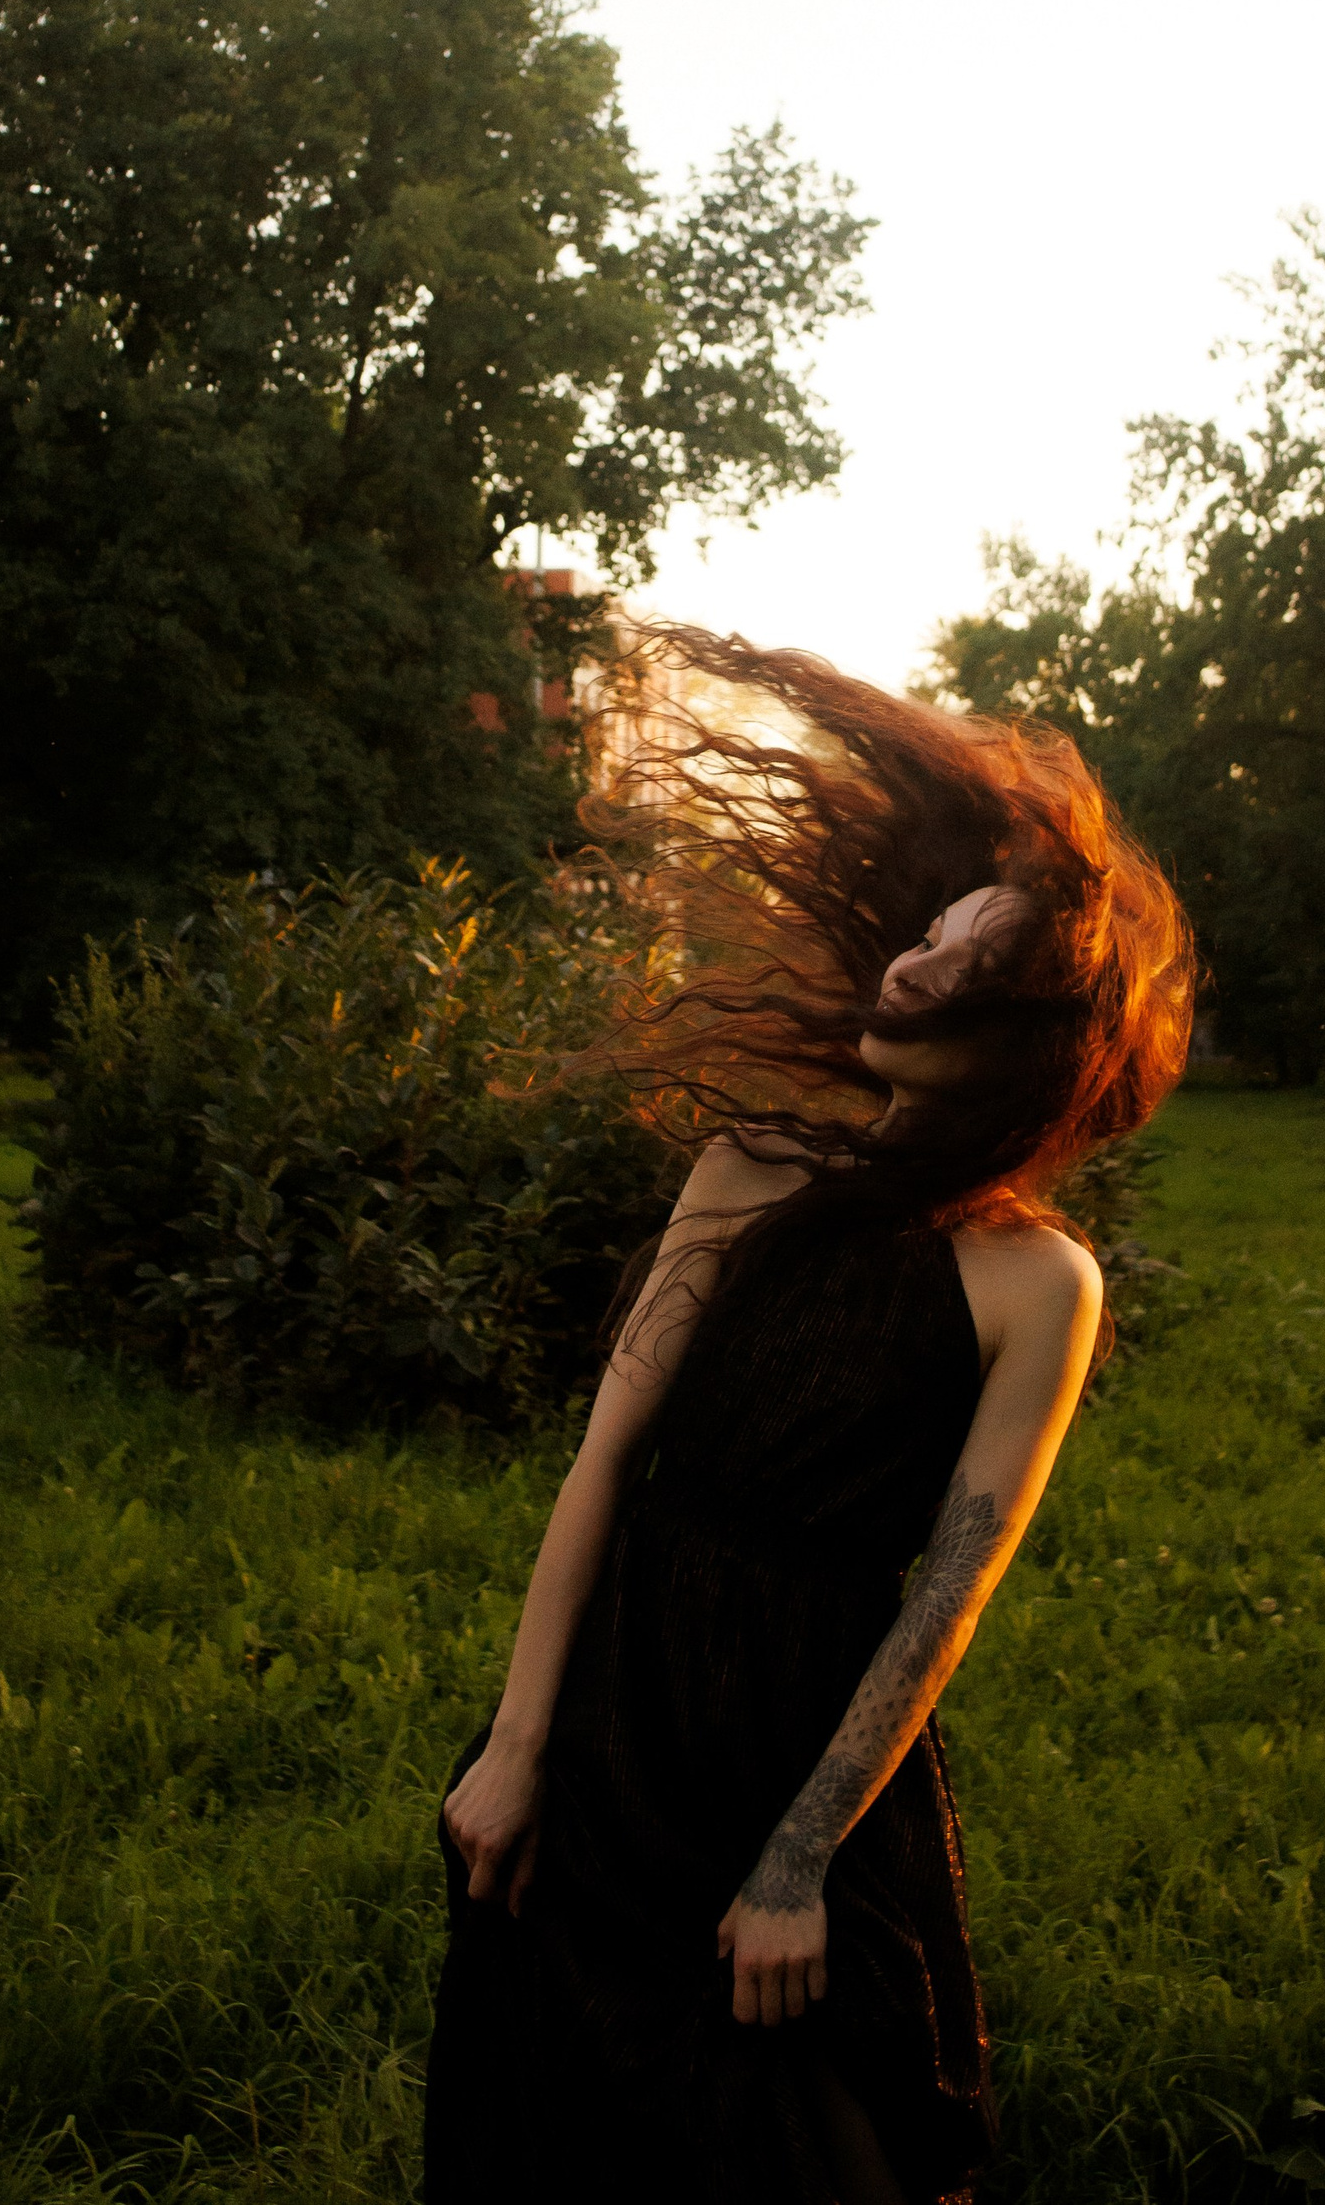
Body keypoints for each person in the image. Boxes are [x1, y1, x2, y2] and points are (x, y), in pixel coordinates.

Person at [425, 633, 1195, 2205]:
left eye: (970, 965)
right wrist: (517, 1749)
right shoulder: (745, 1172)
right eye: (932, 931)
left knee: (834, 2145)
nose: (914, 962)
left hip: (813, 1739)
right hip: (619, 1711)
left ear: (1030, 1041)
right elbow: (604, 1469)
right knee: (561, 2125)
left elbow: (949, 1588)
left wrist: (798, 1856)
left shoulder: (1039, 1280)